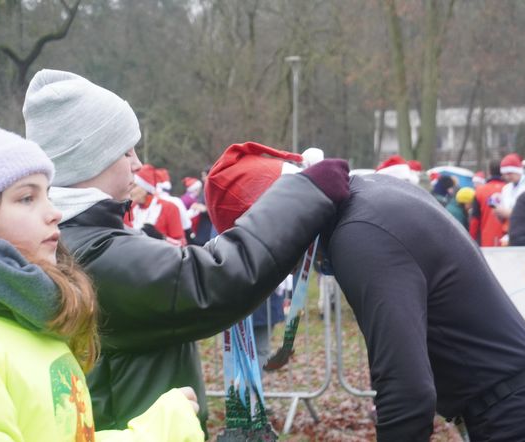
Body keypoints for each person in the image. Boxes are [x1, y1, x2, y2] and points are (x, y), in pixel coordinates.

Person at [22, 68, 350, 434]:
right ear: (90, 160)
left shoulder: (77, 238)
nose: (136, 163)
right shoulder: (89, 252)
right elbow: (211, 278)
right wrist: (304, 191)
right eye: (125, 151)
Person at [206, 143, 525, 442]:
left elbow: (407, 391)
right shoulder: (369, 194)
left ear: (277, 221)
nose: (282, 268)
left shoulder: (360, 234)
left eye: (267, 253)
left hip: (523, 419)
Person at [0, 122, 203, 441]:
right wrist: (152, 434)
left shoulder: (39, 322)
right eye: (26, 198)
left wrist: (162, 424)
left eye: (47, 194)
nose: (54, 213)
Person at [125, 163, 185, 245]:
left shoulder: (169, 208)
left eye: (134, 186)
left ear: (145, 188)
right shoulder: (128, 209)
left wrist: (161, 238)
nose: (129, 190)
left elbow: (181, 245)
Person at [493, 153, 525, 245]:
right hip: (508, 234)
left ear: (518, 171)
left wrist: (509, 213)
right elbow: (502, 217)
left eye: (510, 173)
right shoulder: (506, 188)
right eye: (504, 174)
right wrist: (498, 213)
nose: (506, 177)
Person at [469, 159, 506, 247]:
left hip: (487, 240)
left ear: (489, 171)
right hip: (507, 240)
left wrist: (471, 240)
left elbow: (475, 220)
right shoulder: (509, 190)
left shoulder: (480, 191)